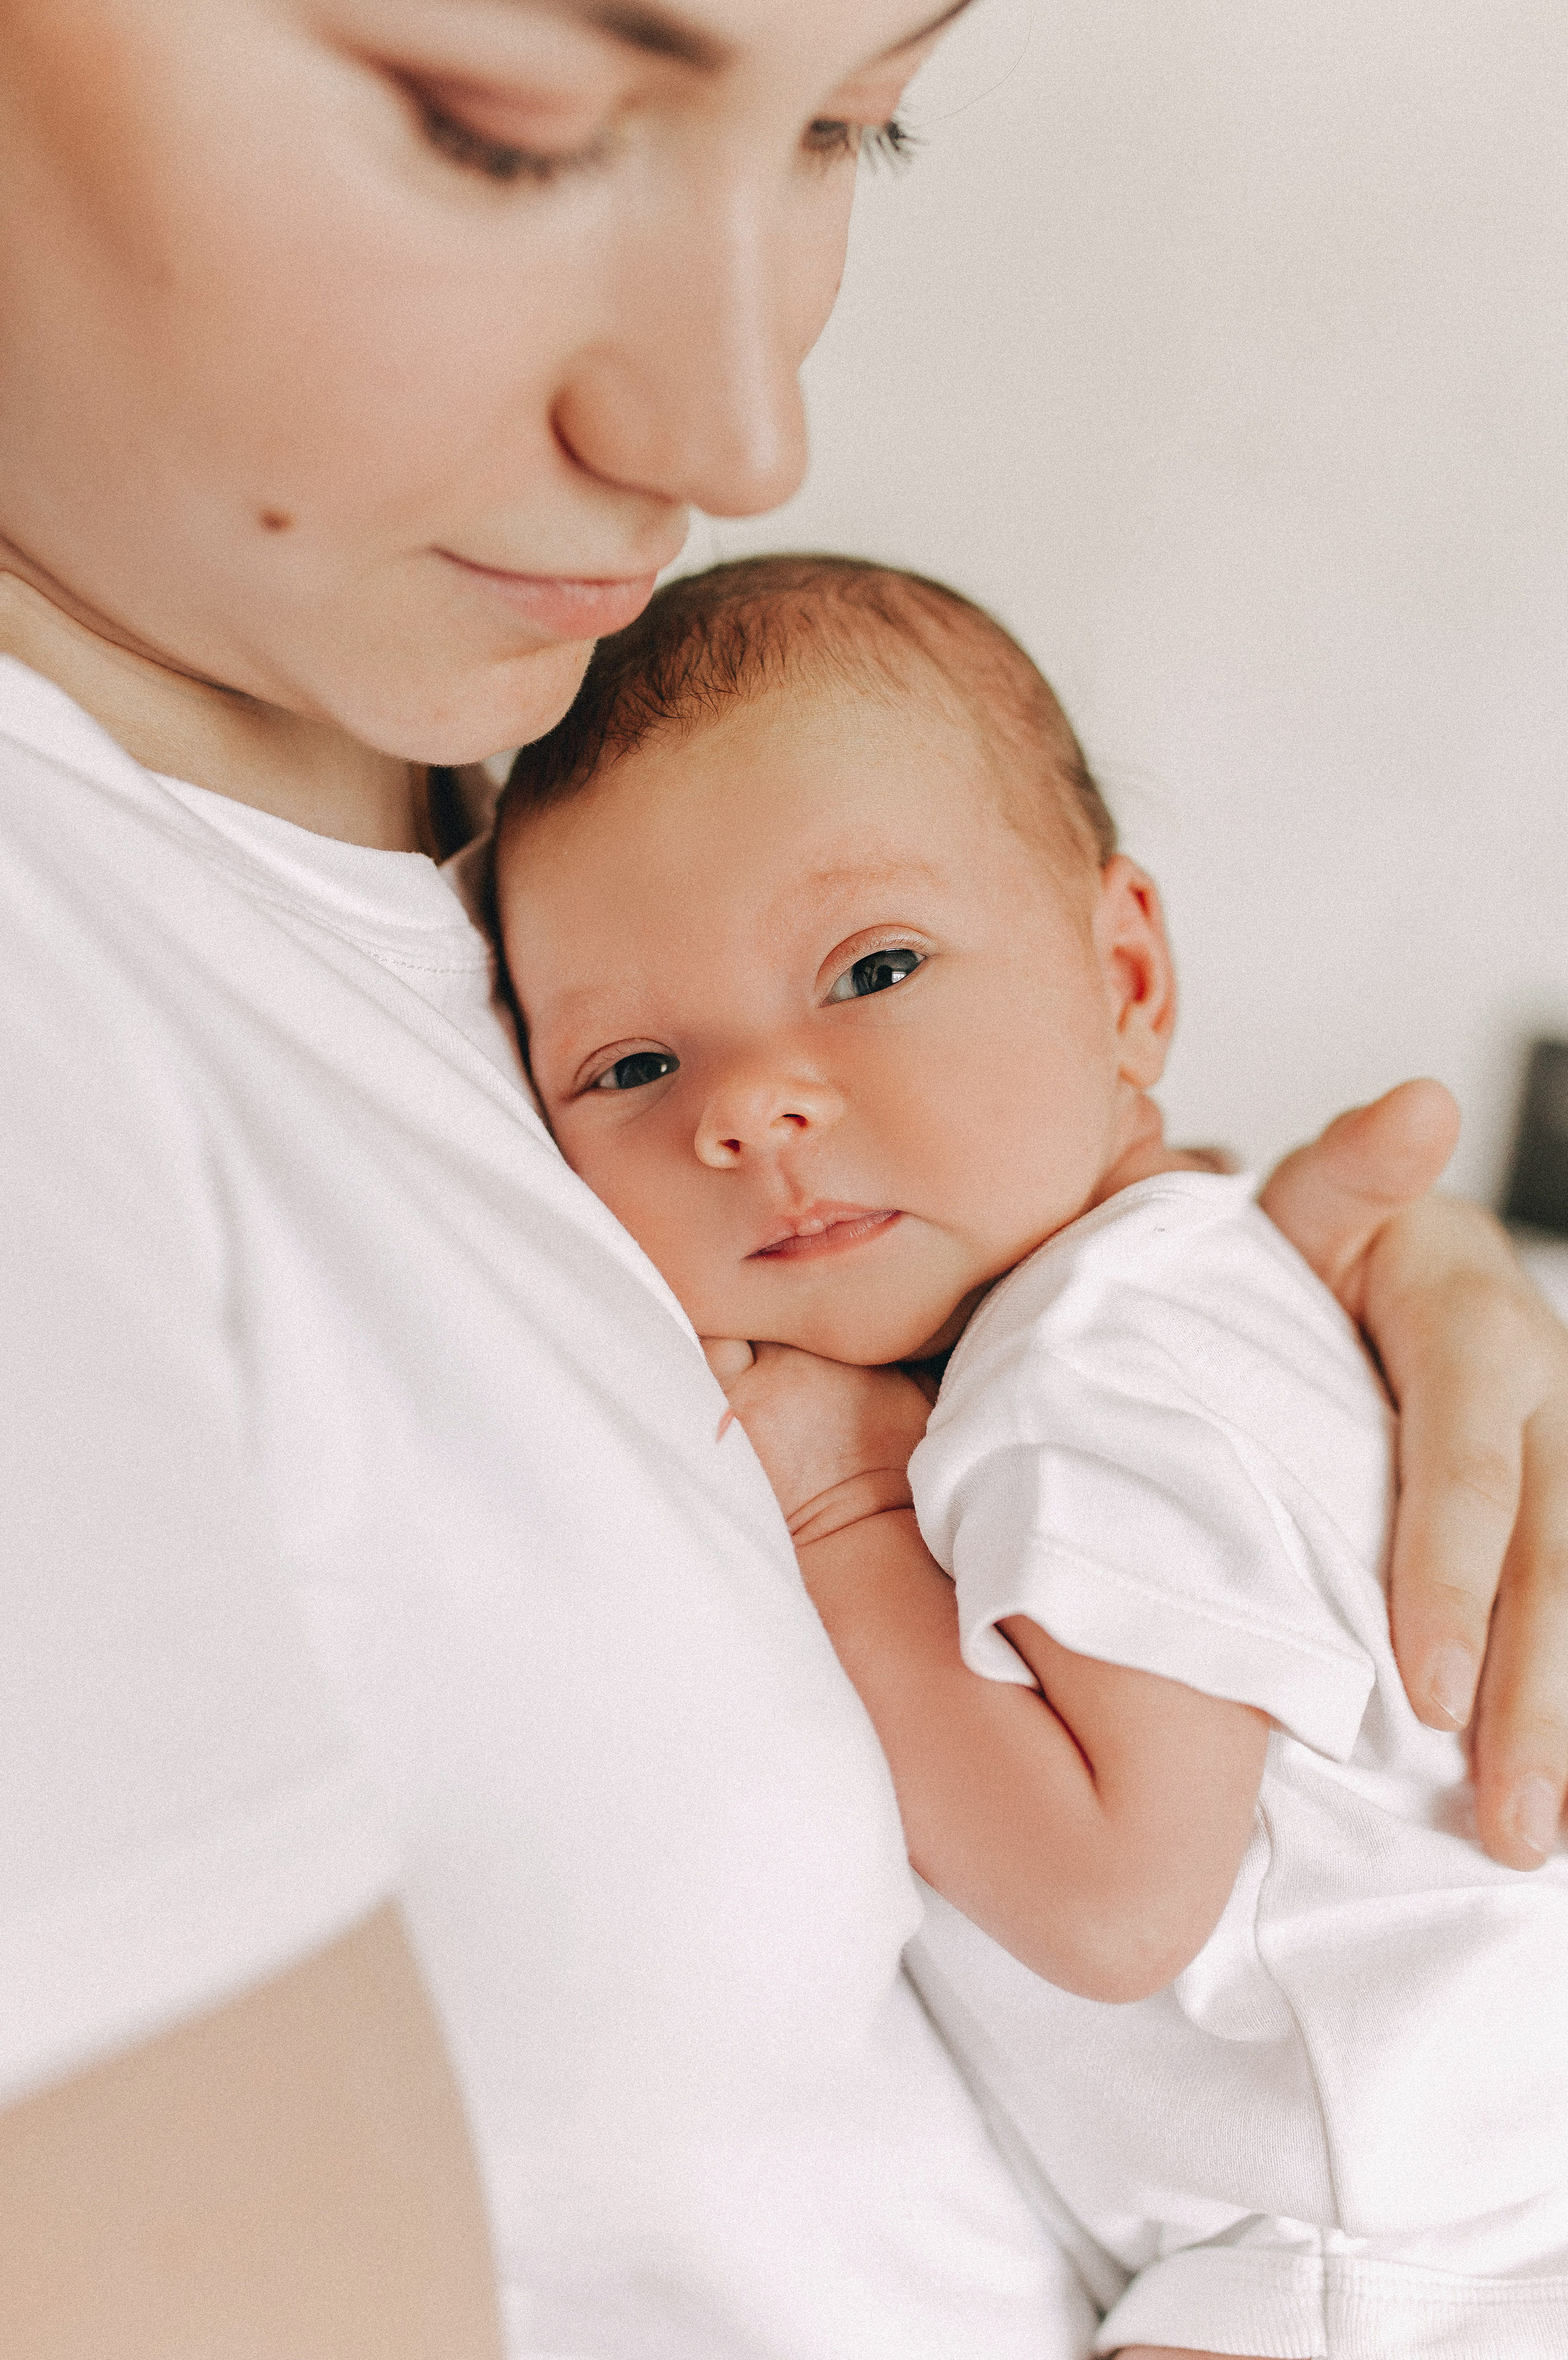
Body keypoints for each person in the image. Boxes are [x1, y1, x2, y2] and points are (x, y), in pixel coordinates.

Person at [2, 7, 1566, 2356]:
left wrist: (1339, 1317)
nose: (741, 433)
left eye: (856, 123)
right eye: (495, 126)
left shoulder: (490, 759)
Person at [492, 551, 1568, 2356]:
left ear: (1128, 972)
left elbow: (1116, 1890)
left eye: (873, 966)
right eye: (632, 1064)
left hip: (1395, 2238)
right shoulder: (1186, 1277)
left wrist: (838, 1506)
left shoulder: (1079, 1367)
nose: (749, 1101)